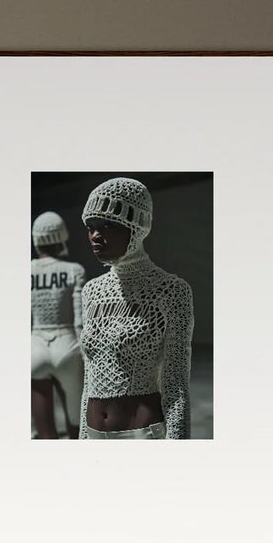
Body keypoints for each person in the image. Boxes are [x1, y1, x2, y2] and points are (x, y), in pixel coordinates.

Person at [77, 177, 194, 441]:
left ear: (137, 226)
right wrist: (82, 436)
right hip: (94, 432)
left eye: (108, 225)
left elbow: (175, 384)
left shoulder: (171, 290)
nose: (96, 235)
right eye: (90, 226)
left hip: (141, 434)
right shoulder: (91, 292)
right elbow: (89, 378)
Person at [29, 210, 84, 440]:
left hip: (35, 347)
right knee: (77, 425)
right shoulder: (74, 270)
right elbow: (80, 319)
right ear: (61, 237)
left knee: (45, 435)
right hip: (68, 346)